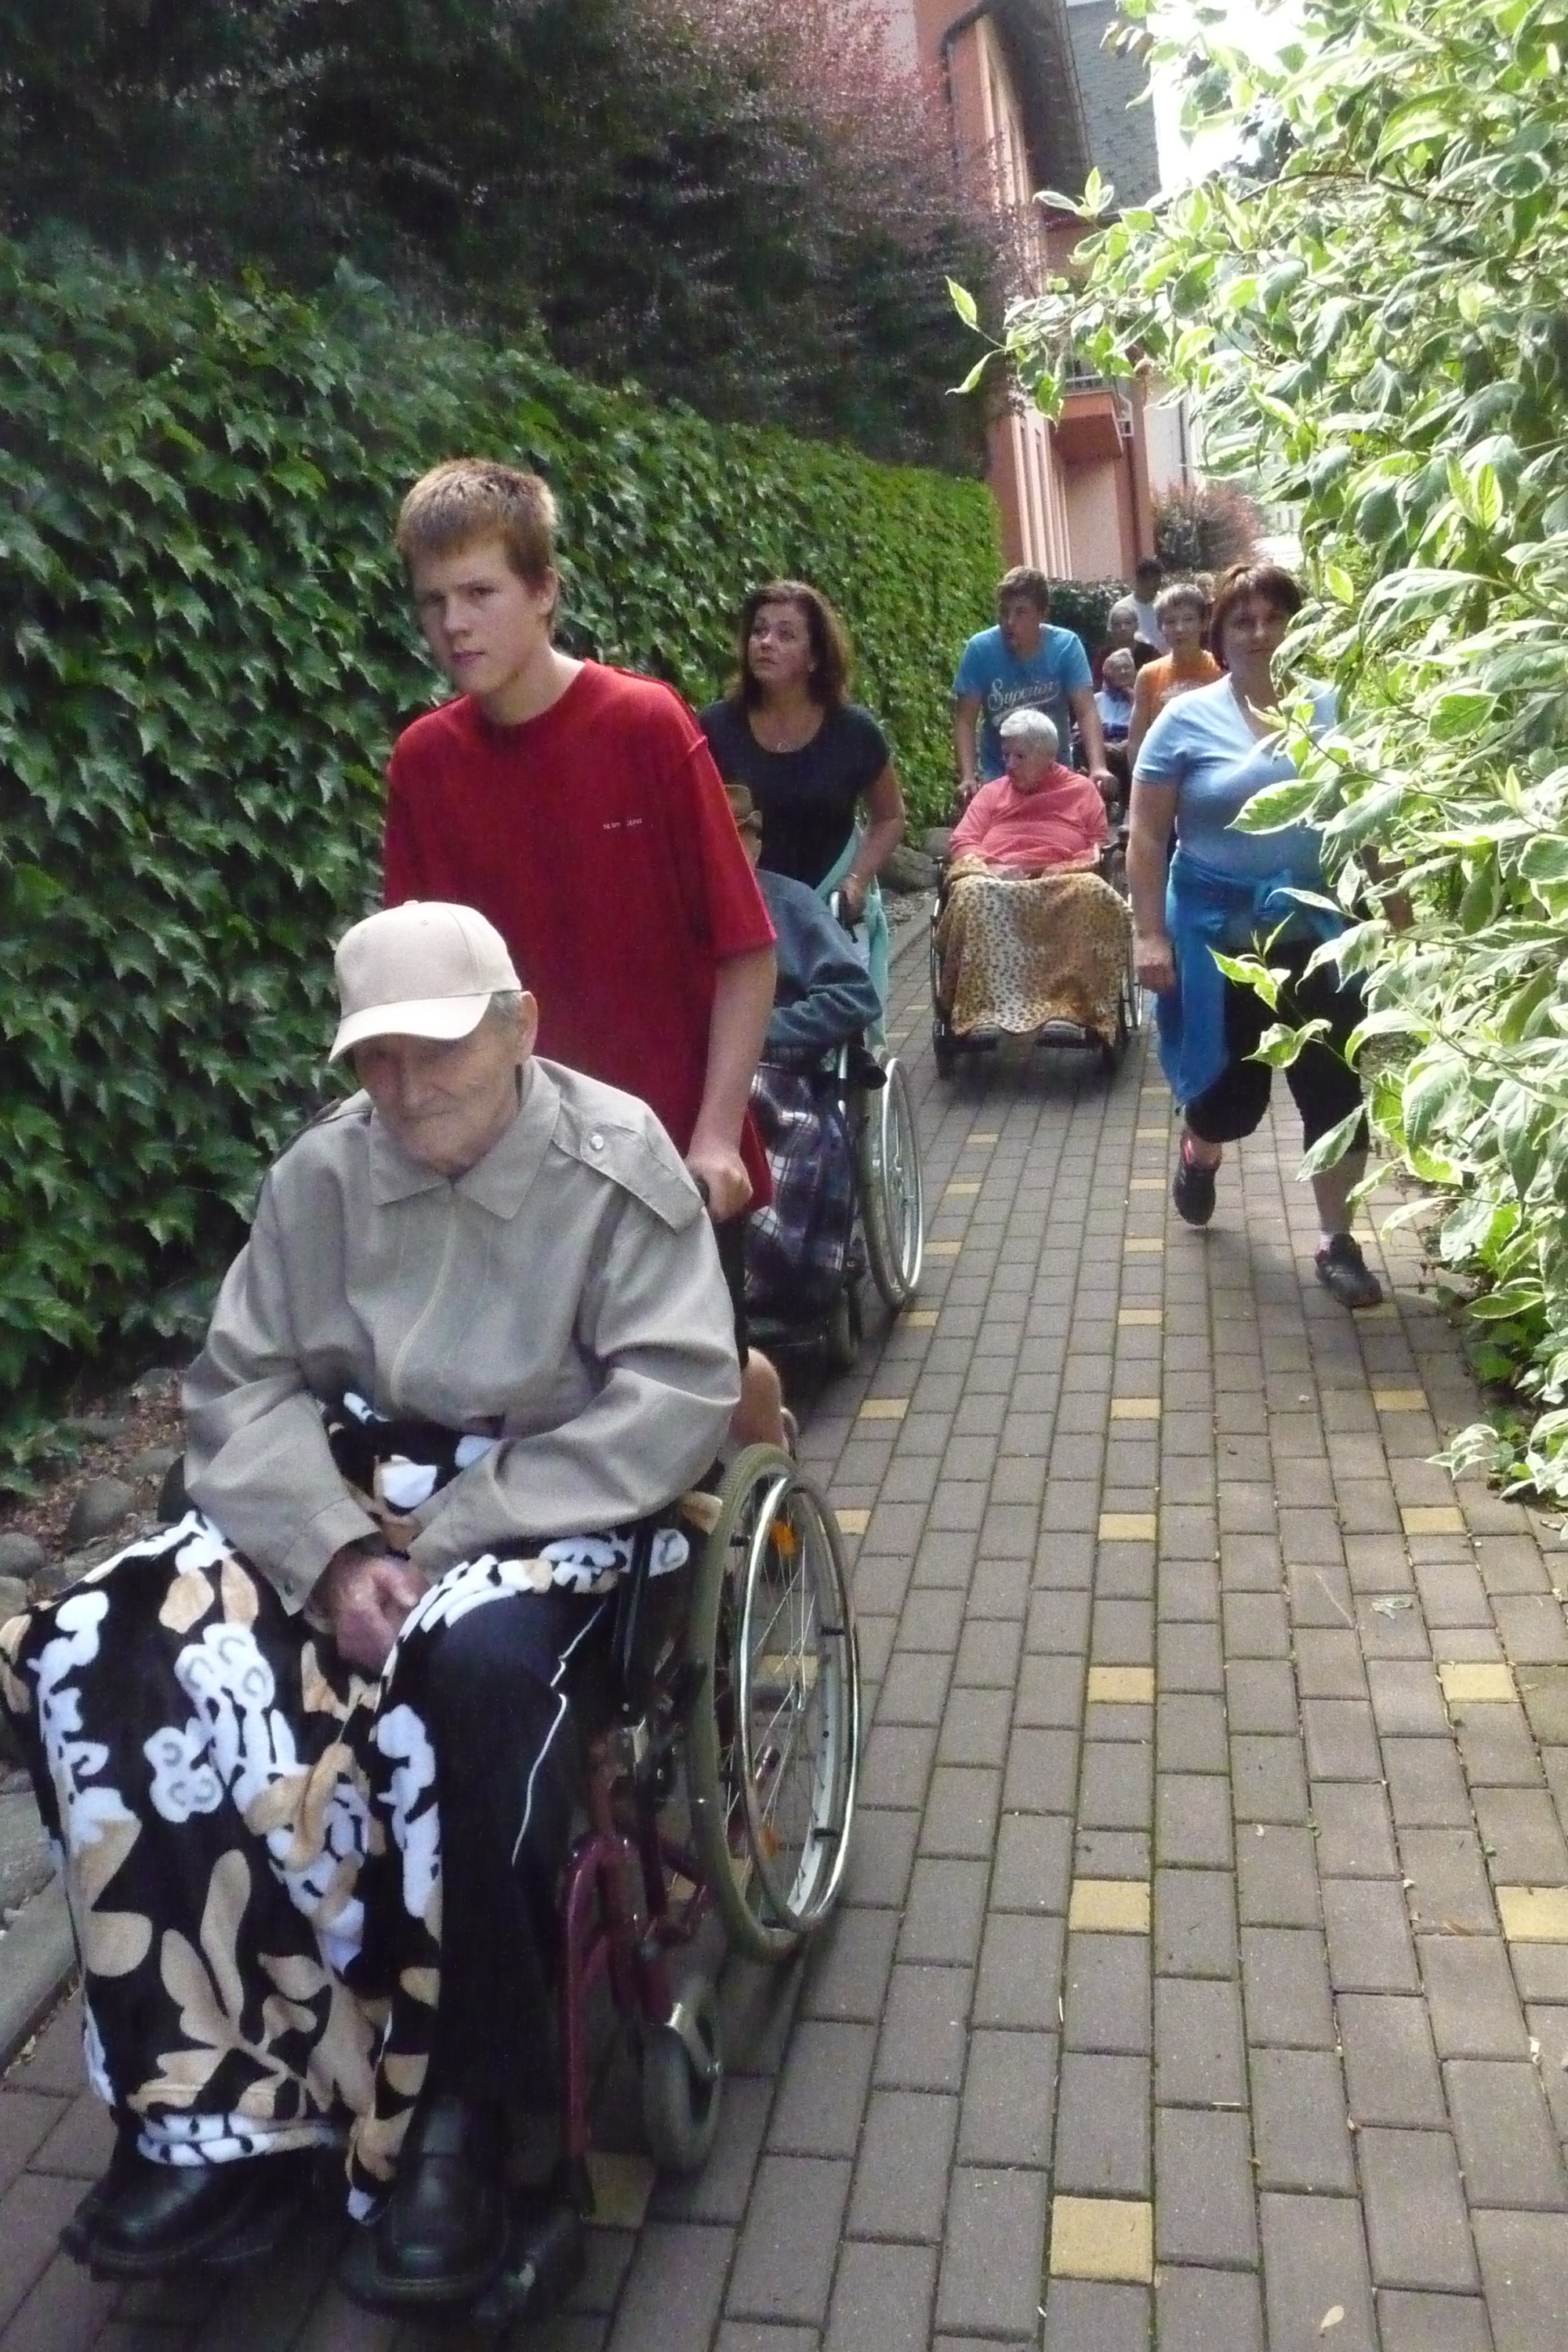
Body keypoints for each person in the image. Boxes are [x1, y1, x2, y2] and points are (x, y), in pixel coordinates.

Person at [0, 902, 740, 2305]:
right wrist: (336, 1555)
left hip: (551, 1500)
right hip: (333, 1499)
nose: (403, 1089)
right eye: (374, 1059)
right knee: (104, 1640)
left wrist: (453, 1533)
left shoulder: (615, 1163)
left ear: (519, 1029)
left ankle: (482, 2120)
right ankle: (205, 2111)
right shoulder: (322, 1175)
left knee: (474, 1682)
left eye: (436, 1051)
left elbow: (676, 1394)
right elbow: (241, 1385)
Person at [381, 458, 787, 1453]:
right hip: (516, 1166)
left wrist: (715, 1135)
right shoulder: (424, 763)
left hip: (669, 1155)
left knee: (697, 1402)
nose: (453, 624)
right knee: (550, 1419)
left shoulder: (643, 724)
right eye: (432, 601)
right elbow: (418, 992)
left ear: (544, 592)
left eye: (480, 592)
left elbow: (744, 952)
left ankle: (761, 1435)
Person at [1127, 561, 1384, 1308]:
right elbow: (1147, 836)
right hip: (1216, 940)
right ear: (1221, 633)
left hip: (1318, 931)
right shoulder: (1183, 719)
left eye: (1275, 618)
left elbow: (1367, 820)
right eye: (1243, 621)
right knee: (1231, 1101)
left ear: (1296, 627)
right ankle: (1200, 1149)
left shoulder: (1334, 710)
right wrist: (1149, 936)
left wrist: (1395, 915)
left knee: (1334, 1091)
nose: (1260, 633)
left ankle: (1337, 1242)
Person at [697, 583, 905, 1018]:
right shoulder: (716, 728)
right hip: (750, 908)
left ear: (814, 658)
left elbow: (889, 817)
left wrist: (857, 880)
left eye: (785, 634)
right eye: (759, 631)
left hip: (831, 906)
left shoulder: (854, 732)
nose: (765, 642)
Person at [725, 786, 883, 1322]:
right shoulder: (669, 907)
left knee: (754, 1105)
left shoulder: (790, 904)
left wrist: (757, 1031)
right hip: (692, 1065)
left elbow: (855, 996)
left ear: (755, 844)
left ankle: (758, 1280)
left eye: (735, 839)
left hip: (780, 1069)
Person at [936, 710, 1130, 1047]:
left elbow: (1097, 847)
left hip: (1061, 879)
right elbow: (963, 841)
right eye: (1006, 755)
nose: (1009, 764)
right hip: (996, 881)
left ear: (1048, 756)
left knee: (1091, 892)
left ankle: (1072, 1010)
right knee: (970, 892)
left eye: (1019, 756)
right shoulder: (991, 793)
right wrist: (991, 867)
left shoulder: (1081, 791)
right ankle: (981, 1013)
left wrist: (1064, 867)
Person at [953, 565, 1116, 811]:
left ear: (1042, 614)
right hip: (999, 776)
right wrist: (967, 776)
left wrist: (1098, 767)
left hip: (1054, 772)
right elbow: (965, 720)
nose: (1010, 622)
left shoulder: (1066, 647)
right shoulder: (980, 650)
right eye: (1004, 612)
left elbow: (1086, 711)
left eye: (1021, 612)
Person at [1125, 579, 1221, 768]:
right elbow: (1136, 741)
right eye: (1170, 622)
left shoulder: (1221, 670)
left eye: (1188, 619)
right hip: (1164, 768)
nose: (1179, 629)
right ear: (1160, 627)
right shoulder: (1148, 675)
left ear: (1204, 623)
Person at [1096, 647, 1137, 744]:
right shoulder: (1097, 699)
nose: (1123, 671)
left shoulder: (1144, 699)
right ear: (1108, 673)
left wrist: (1133, 699)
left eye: (1127, 667)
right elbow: (1079, 732)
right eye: (1118, 668)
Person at [1130, 555, 1168, 654]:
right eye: (1151, 580)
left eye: (1158, 580)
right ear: (1139, 580)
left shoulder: (1167, 605)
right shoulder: (1123, 608)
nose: (1156, 585)